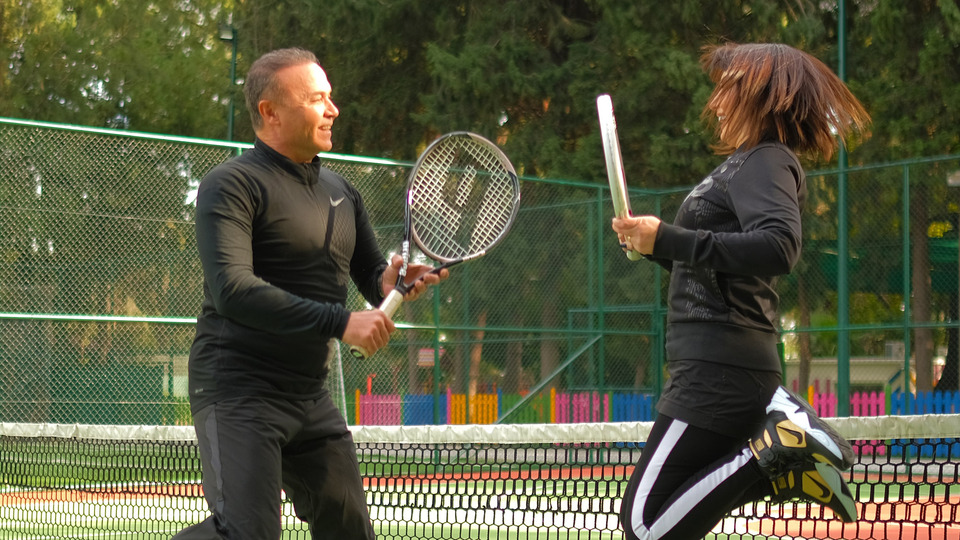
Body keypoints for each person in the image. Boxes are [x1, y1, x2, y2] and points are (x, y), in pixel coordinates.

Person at [174, 48, 447, 540]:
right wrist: (342, 322)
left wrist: (390, 283)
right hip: (238, 390)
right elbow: (233, 290)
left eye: (331, 98)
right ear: (270, 112)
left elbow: (368, 271)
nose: (333, 109)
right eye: (317, 98)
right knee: (247, 534)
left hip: (308, 394)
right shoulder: (230, 185)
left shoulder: (342, 191)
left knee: (349, 530)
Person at [612, 42, 871, 540]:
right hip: (719, 367)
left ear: (761, 96)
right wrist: (656, 247)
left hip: (719, 370)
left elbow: (778, 246)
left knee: (644, 527)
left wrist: (668, 236)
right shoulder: (747, 164)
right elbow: (719, 268)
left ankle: (778, 448)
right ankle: (783, 454)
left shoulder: (766, 160)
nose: (718, 102)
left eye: (730, 89)